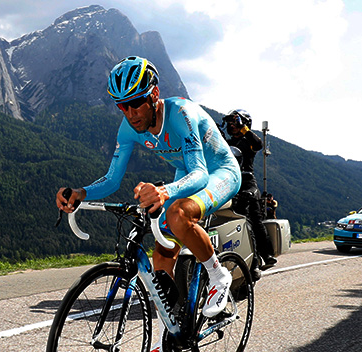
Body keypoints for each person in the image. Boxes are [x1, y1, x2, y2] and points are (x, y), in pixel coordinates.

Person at [56, 56, 242, 329]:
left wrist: (164, 192)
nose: (130, 113)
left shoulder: (181, 114)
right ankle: (171, 333)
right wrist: (81, 193)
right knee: (161, 256)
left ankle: (218, 275)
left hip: (220, 172)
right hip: (186, 174)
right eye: (122, 106)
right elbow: (111, 180)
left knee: (178, 215)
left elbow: (201, 174)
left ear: (154, 95)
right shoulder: (128, 129)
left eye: (135, 103)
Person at [223, 110, 277, 271]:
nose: (232, 126)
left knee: (254, 220)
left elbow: (259, 144)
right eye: (231, 124)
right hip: (231, 183)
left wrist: (244, 128)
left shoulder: (249, 141)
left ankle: (264, 255)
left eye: (235, 123)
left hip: (247, 183)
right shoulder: (227, 143)